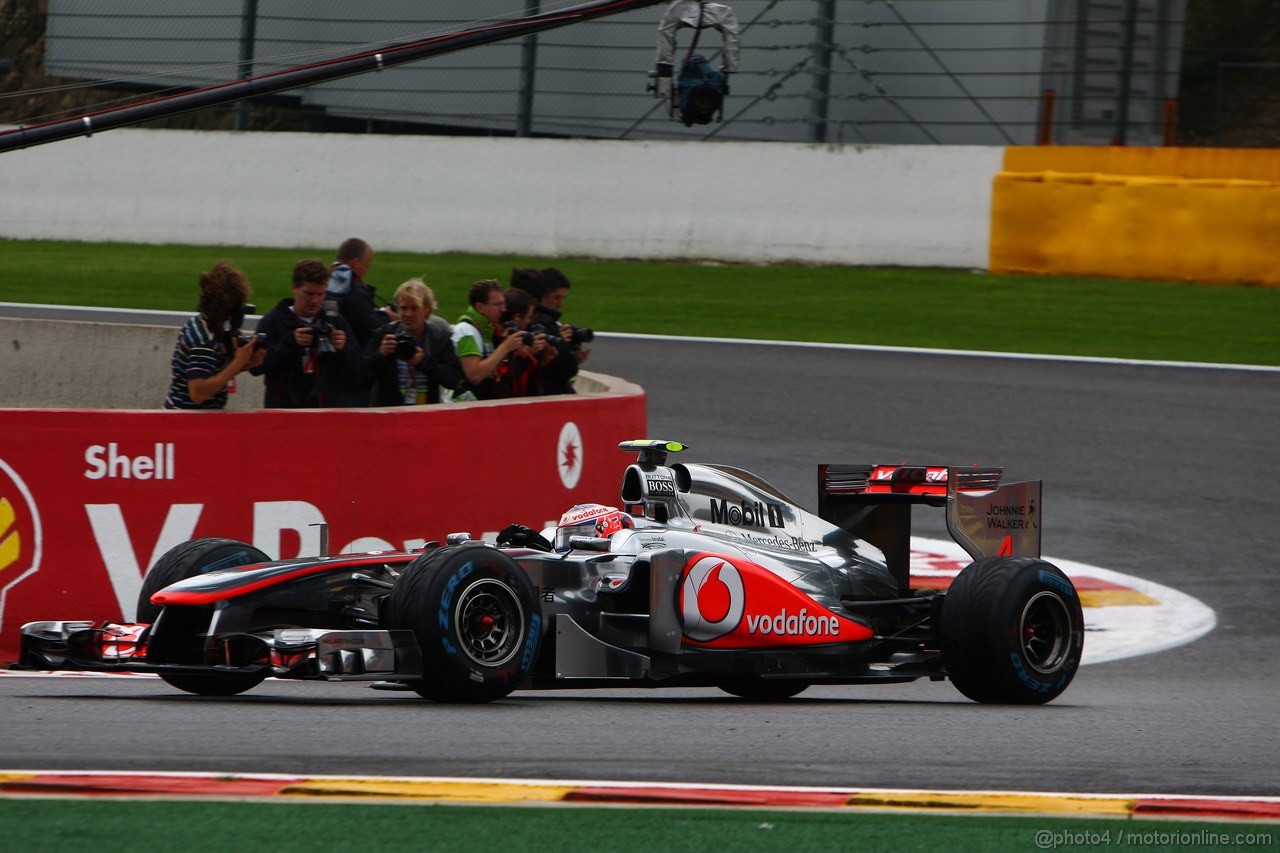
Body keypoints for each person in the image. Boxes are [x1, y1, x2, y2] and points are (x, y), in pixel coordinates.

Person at [251, 259, 365, 408]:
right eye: (309, 293)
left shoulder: (334, 321)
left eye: (320, 294)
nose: (315, 300)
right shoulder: (274, 320)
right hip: (283, 412)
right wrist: (291, 343)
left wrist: (343, 348)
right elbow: (255, 367)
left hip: (325, 412)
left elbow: (360, 371)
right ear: (295, 288)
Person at [163, 261, 265, 409]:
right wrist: (237, 363)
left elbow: (212, 373)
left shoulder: (203, 325)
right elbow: (198, 393)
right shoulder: (204, 340)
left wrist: (244, 364)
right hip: (187, 421)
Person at [366, 278, 462, 406]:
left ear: (427, 309)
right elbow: (362, 377)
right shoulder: (385, 334)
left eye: (414, 308)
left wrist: (423, 362)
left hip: (426, 412)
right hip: (390, 412)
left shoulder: (438, 337)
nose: (408, 314)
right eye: (403, 308)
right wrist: (380, 354)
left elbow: (453, 379)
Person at [451, 279, 525, 401]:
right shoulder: (466, 332)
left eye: (503, 304)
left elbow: (489, 369)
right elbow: (475, 375)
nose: (504, 309)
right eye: (498, 305)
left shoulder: (486, 329)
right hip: (464, 408)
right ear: (480, 307)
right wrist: (505, 347)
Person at [532, 267, 590, 395]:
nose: (560, 304)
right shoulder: (541, 324)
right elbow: (566, 369)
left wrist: (574, 357)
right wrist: (563, 346)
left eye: (562, 298)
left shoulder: (550, 322)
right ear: (542, 295)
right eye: (556, 298)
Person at [327, 237, 391, 349]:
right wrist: (386, 316)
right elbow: (368, 327)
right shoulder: (355, 289)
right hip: (350, 351)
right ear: (356, 263)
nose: (367, 271)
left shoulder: (323, 279)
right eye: (367, 265)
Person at [496, 287, 555, 397]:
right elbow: (505, 382)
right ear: (517, 318)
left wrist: (542, 361)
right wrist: (525, 355)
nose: (529, 322)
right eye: (528, 317)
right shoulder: (499, 341)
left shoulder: (516, 340)